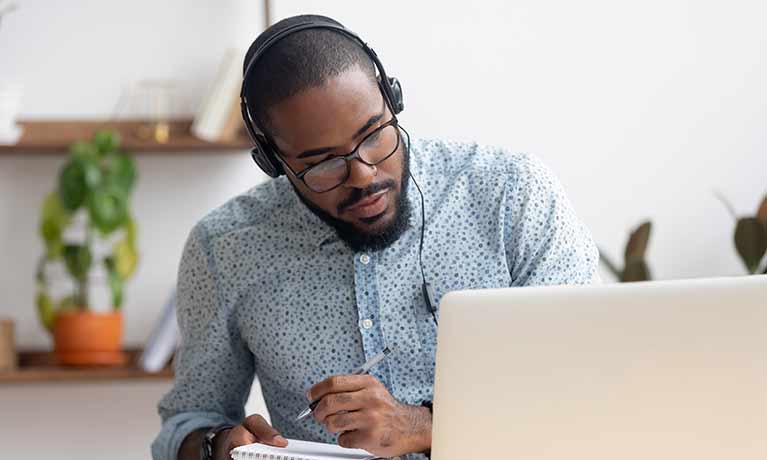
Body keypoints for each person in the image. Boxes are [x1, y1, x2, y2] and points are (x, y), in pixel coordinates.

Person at [152, 14, 599, 460]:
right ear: (274, 162)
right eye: (322, 162)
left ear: (393, 99)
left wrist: (423, 424)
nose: (363, 175)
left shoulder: (512, 194)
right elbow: (186, 424)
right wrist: (217, 447)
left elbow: (589, 383)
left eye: (373, 134)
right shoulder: (224, 247)